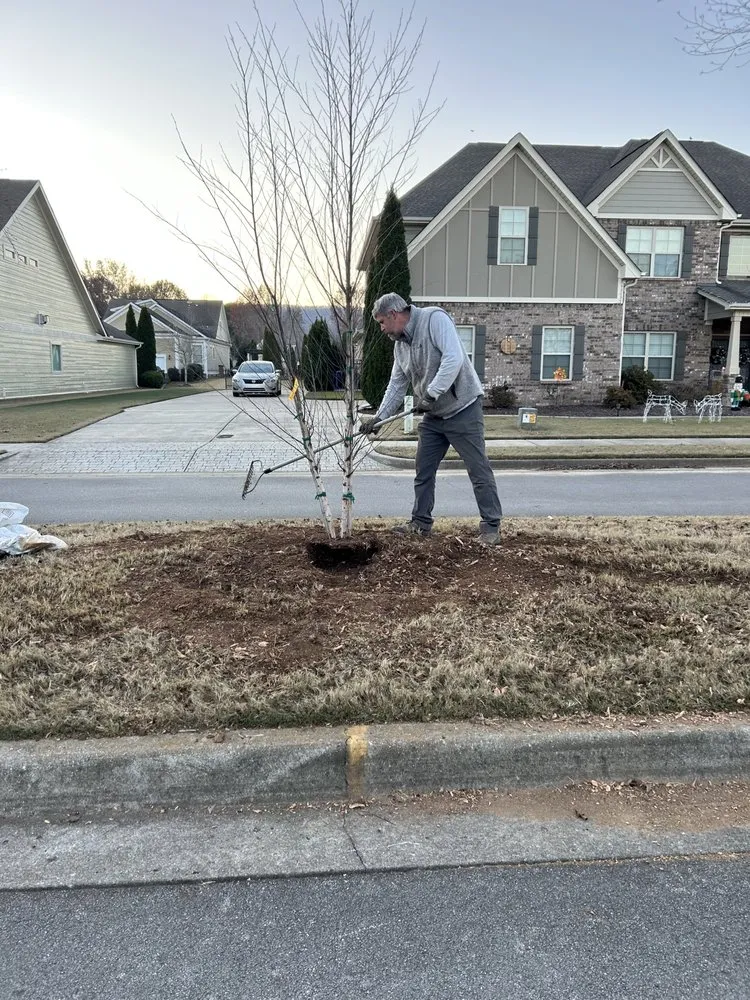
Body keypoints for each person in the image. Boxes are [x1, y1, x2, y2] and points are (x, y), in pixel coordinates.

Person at [359, 293, 503, 546]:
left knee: (478, 470)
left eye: (382, 322)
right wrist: (378, 419)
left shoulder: (434, 319)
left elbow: (453, 358)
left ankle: (491, 526)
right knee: (423, 471)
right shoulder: (400, 345)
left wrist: (431, 393)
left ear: (394, 314)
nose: (382, 329)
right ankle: (420, 523)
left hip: (463, 409)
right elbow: (396, 385)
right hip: (434, 417)